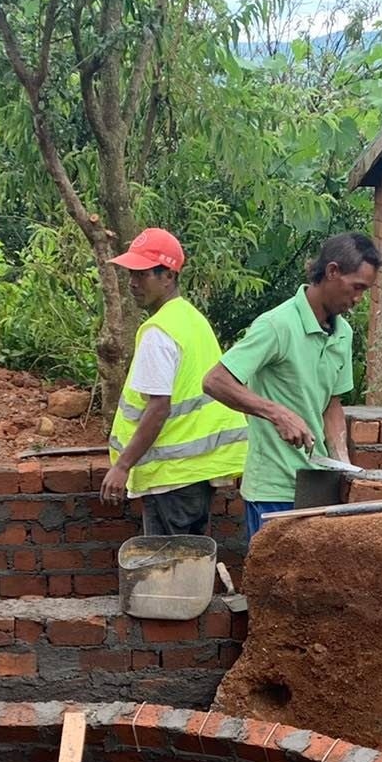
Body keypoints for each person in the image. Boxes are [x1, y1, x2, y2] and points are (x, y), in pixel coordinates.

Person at [203, 233, 381, 539]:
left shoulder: (344, 333)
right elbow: (215, 380)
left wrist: (342, 464)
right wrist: (277, 413)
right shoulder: (277, 326)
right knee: (270, 584)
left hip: (317, 488)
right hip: (272, 490)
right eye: (357, 288)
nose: (358, 299)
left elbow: (332, 406)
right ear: (332, 271)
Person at [98, 228, 248, 535]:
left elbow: (159, 408)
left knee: (167, 571)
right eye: (131, 275)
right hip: (196, 474)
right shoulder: (191, 319)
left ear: (168, 276)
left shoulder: (159, 331)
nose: (133, 284)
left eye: (142, 275)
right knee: (187, 564)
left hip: (172, 478)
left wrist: (122, 465)